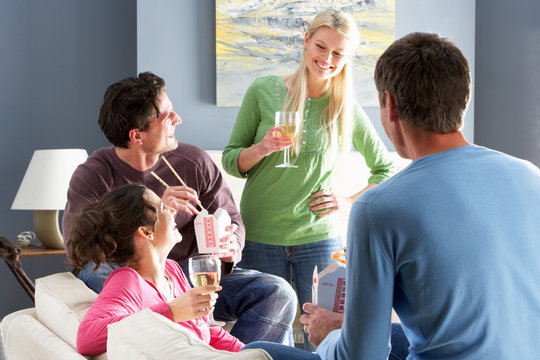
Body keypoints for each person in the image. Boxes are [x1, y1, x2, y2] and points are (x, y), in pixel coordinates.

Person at [243, 32, 540, 359]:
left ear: (390, 105)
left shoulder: (378, 207)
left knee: (257, 351)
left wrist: (330, 337)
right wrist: (350, 327)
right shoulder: (530, 176)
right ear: (463, 99)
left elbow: (361, 357)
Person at [62, 72, 297, 345]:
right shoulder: (93, 175)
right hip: (131, 275)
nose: (178, 119)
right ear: (137, 135)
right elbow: (80, 251)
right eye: (167, 116)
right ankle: (170, 317)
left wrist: (231, 245)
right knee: (98, 272)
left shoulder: (193, 160)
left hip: (188, 273)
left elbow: (231, 217)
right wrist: (155, 213)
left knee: (277, 292)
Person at [222, 9, 395, 350]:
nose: (327, 59)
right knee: (268, 341)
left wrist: (346, 202)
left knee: (324, 340)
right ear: (306, 41)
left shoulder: (345, 107)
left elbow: (385, 169)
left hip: (318, 238)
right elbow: (231, 159)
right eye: (321, 46)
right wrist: (262, 148)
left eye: (338, 53)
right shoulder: (264, 91)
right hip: (260, 235)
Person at [69, 184, 244, 356]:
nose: (172, 210)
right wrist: (171, 311)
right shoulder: (128, 281)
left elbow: (212, 334)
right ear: (146, 232)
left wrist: (252, 353)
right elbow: (86, 339)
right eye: (162, 207)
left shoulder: (172, 270)